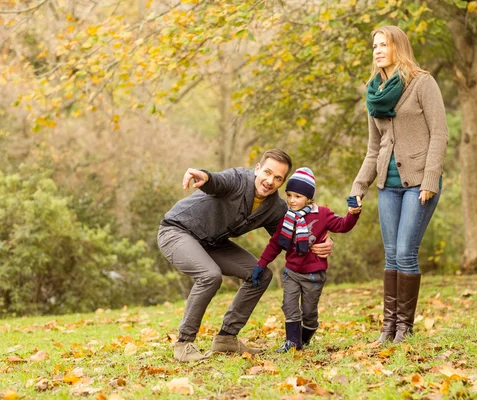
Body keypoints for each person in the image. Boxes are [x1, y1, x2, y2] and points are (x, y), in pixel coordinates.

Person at [158, 149, 334, 362]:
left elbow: (293, 239)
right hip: (177, 231)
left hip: (213, 243)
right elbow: (217, 181)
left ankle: (227, 338)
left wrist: (323, 241)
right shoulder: (238, 179)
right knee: (209, 275)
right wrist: (204, 176)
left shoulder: (275, 208)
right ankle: (184, 343)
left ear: (282, 182)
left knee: (259, 275)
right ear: (257, 169)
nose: (270, 181)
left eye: (277, 178)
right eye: (267, 172)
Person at [350, 26, 448, 344]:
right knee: (391, 255)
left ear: (398, 48)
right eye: (374, 45)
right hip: (387, 186)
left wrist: (430, 180)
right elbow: (373, 148)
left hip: (419, 182)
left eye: (384, 44)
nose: (377, 50)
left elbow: (440, 134)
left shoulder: (422, 83)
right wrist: (358, 187)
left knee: (406, 252)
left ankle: (405, 329)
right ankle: (388, 328)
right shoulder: (374, 92)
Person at [252, 167, 361, 352]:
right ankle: (292, 343)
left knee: (309, 313)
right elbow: (275, 244)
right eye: (289, 195)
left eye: (298, 196)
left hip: (313, 275)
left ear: (309, 198)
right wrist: (261, 264)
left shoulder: (322, 214)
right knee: (289, 306)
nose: (292, 200)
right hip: (292, 273)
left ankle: (304, 338)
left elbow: (343, 226)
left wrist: (353, 213)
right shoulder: (286, 218)